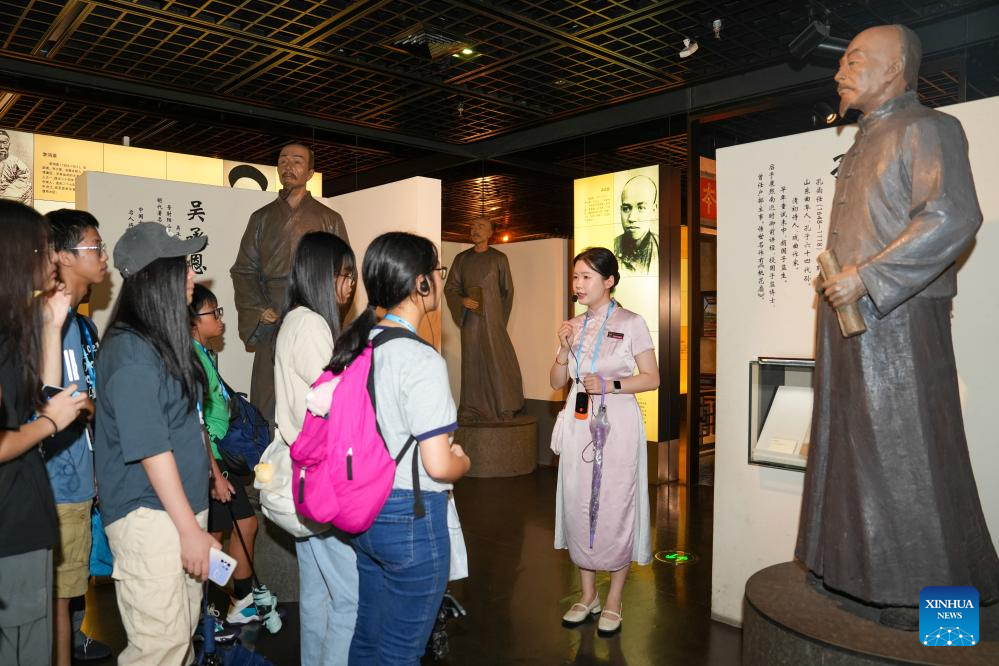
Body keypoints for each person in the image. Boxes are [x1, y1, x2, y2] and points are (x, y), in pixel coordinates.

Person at [798, 24, 999, 628]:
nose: (840, 71)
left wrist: (868, 277)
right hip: (851, 319)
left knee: (913, 458)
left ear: (892, 69)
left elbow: (952, 217)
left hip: (900, 320)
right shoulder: (866, 140)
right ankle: (852, 577)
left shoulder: (929, 128)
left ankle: (943, 616)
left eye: (854, 59)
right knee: (850, 449)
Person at [334, 232, 471, 663]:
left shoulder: (356, 346)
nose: (439, 279)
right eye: (437, 271)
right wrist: (463, 461)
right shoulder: (422, 359)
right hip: (411, 516)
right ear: (421, 282)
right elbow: (438, 465)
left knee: (368, 638)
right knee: (400, 652)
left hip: (364, 511)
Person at [94, 222, 221, 665]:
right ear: (156, 276)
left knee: (178, 641)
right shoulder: (131, 353)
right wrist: (189, 531)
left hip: (176, 513)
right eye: (183, 266)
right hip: (150, 517)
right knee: (160, 647)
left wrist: (194, 526)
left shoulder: (159, 342)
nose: (192, 273)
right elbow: (151, 449)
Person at [550, 247, 659, 637]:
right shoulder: (573, 325)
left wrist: (611, 384)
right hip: (580, 420)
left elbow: (652, 377)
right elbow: (555, 381)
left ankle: (614, 598)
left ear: (609, 281)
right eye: (575, 276)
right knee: (578, 500)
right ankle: (587, 595)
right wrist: (563, 348)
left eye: (586, 277)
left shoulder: (632, 322)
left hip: (618, 422)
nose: (578, 284)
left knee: (615, 502)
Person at [0, 200, 90, 665]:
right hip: (9, 524)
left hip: (26, 516)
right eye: (41, 248)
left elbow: (47, 397)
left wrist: (53, 326)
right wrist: (49, 423)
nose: (52, 257)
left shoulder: (17, 328)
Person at [273, 231, 357, 665]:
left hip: (303, 473)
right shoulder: (311, 325)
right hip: (322, 475)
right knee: (348, 597)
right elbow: (335, 401)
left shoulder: (296, 319)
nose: (350, 285)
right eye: (344, 274)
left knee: (317, 592)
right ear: (323, 275)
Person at [230, 142, 349, 431]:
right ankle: (267, 456)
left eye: (297, 161)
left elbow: (343, 273)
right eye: (283, 160)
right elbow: (243, 270)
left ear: (310, 172)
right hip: (272, 313)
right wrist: (259, 308)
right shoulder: (261, 218)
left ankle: (311, 453)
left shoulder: (329, 218)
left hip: (314, 310)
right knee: (267, 396)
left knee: (316, 389)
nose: (288, 166)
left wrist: (326, 313)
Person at [43, 209, 113, 665]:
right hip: (57, 482)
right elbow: (51, 403)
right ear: (64, 256)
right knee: (57, 597)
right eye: (95, 247)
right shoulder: (46, 321)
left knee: (68, 590)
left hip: (79, 477)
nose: (104, 257)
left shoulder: (81, 324)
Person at [190, 284, 261, 627]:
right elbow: (197, 421)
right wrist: (215, 472)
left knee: (240, 525)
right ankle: (212, 608)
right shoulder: (191, 358)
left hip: (217, 458)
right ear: (193, 320)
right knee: (215, 538)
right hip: (212, 460)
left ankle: (235, 598)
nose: (220, 318)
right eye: (213, 312)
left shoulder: (202, 354)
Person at [443, 216, 524, 421]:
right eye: (472, 226)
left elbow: (507, 292)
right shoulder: (461, 259)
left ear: (490, 233)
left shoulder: (499, 258)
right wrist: (462, 301)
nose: (475, 230)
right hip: (471, 321)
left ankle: (505, 406)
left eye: (481, 226)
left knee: (498, 361)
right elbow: (450, 288)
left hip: (493, 321)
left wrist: (499, 321)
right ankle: (470, 408)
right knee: (472, 362)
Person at [612, 175, 659, 274]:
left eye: (641, 208)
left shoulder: (662, 248)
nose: (631, 218)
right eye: (626, 208)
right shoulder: (611, 247)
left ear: (653, 210)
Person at [0, 130, 32, 203]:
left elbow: (24, 181)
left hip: (9, 201)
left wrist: (4, 199)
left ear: (9, 144)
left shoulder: (16, 163)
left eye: (4, 143)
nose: (1, 146)